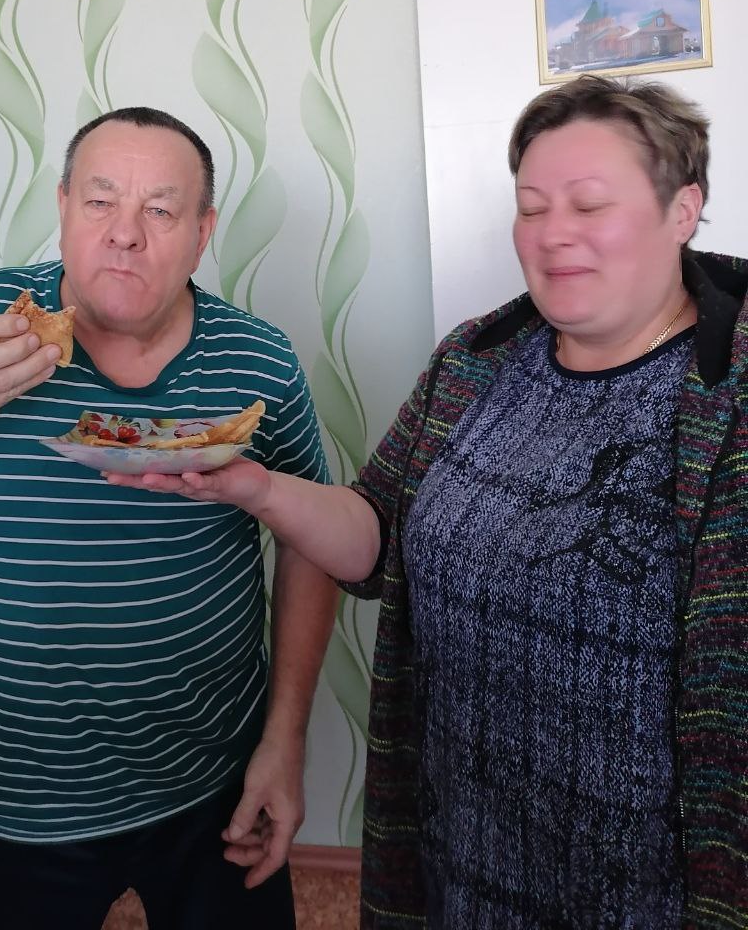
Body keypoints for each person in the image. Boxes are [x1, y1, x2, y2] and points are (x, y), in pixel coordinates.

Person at [109, 76, 748, 928]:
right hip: (464, 849)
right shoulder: (476, 360)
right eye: (531, 208)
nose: (553, 233)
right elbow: (373, 537)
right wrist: (252, 486)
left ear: (683, 210)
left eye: (590, 205)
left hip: (647, 888)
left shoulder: (727, 392)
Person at [0, 106, 338, 930]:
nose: (124, 233)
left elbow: (313, 542)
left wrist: (284, 740)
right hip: (1, 801)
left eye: (161, 210)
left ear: (202, 233)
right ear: (61, 208)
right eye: (99, 200)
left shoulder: (257, 358)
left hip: (212, 782)